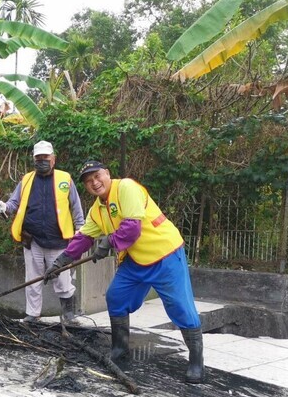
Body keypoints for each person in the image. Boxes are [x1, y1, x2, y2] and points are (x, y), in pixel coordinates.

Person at [45, 160, 204, 383]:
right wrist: (60, 262)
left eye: (97, 176)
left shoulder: (126, 188)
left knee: (181, 308)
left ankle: (196, 361)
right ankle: (120, 349)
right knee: (116, 296)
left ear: (107, 173)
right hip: (136, 260)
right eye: (89, 181)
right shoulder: (96, 210)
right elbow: (83, 238)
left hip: (165, 255)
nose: (94, 183)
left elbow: (132, 228)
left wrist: (109, 242)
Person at [0, 140, 85, 323]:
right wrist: (3, 207)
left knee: (63, 280)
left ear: (53, 159)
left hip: (59, 241)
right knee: (33, 279)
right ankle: (33, 315)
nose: (42, 161)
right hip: (32, 240)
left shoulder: (65, 179)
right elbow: (14, 203)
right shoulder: (27, 180)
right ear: (34, 159)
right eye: (38, 158)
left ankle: (69, 315)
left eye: (45, 157)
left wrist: (80, 229)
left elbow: (76, 206)